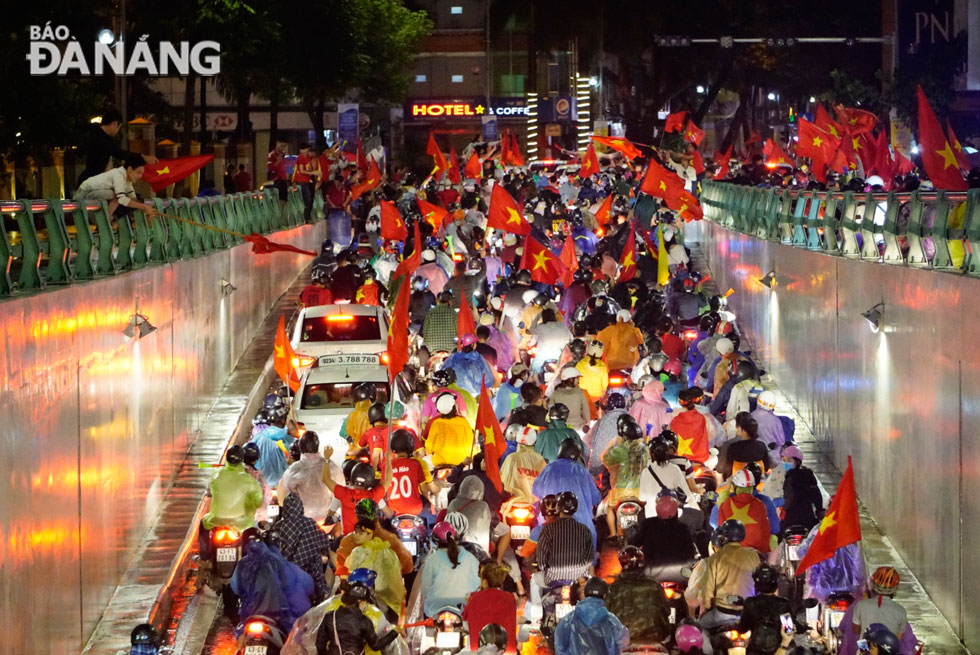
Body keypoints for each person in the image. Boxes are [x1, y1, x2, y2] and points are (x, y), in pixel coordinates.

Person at [684, 520, 760, 630]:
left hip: (722, 614)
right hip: (747, 613)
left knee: (701, 627)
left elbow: (708, 590)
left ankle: (707, 648)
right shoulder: (753, 555)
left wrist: (706, 609)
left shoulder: (715, 559)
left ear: (723, 537)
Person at [231, 534, 314, 634]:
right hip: (278, 616)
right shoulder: (277, 561)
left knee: (240, 635)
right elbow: (295, 585)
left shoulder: (242, 564)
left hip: (250, 614)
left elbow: (236, 587)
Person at [532, 440, 601, 547]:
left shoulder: (548, 469)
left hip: (549, 527)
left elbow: (536, 492)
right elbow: (596, 498)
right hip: (583, 529)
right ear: (577, 456)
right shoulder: (583, 472)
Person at [201, 445, 263, 560]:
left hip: (216, 519)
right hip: (241, 521)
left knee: (203, 524)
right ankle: (246, 558)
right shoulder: (248, 479)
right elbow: (258, 500)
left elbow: (209, 492)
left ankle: (205, 555)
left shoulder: (217, 474)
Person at [314, 577, 401, 655]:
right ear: (360, 601)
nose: (367, 605)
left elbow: (320, 644)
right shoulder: (364, 621)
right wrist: (395, 632)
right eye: (366, 602)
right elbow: (376, 645)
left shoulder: (330, 616)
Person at [343, 518, 406, 621]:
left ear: (370, 534)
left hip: (366, 597)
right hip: (390, 598)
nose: (356, 535)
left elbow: (349, 574)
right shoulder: (388, 550)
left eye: (360, 533)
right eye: (355, 532)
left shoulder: (357, 552)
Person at [605, 546, 672, 643]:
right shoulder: (654, 584)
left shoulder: (614, 588)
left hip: (623, 640)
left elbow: (606, 614)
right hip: (655, 637)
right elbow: (667, 610)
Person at [77, 108, 158, 186]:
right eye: (119, 127)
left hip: (92, 180)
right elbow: (119, 153)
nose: (118, 131)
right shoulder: (100, 138)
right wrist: (143, 157)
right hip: (91, 182)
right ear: (115, 123)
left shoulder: (98, 134)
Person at [335, 499, 414, 578]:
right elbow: (408, 567)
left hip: (357, 587)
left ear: (356, 517)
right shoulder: (392, 539)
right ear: (377, 515)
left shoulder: (348, 541)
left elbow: (342, 570)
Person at [602, 414, 650, 540]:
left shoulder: (620, 449)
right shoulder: (645, 450)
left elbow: (605, 459)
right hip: (641, 492)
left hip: (620, 492)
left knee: (609, 508)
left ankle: (613, 533)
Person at [418, 522, 482, 617]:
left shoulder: (432, 560)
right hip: (464, 609)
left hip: (435, 610)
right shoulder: (470, 558)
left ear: (435, 541)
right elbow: (479, 585)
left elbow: (425, 590)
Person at [278, 492, 332, 603]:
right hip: (312, 571)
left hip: (288, 572)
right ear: (300, 507)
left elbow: (277, 550)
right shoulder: (310, 522)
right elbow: (323, 541)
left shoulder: (280, 526)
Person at [554, 577, 630, 655]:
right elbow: (622, 642)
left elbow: (560, 646)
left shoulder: (568, 620)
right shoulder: (611, 620)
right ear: (605, 595)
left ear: (586, 593)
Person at [278, 432, 342, 524]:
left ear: (300, 447)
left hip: (302, 521)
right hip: (327, 518)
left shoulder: (294, 469)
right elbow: (341, 489)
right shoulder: (332, 466)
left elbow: (282, 498)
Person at [322, 455, 391, 535]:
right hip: (367, 541)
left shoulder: (343, 493)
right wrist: (388, 460)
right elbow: (388, 479)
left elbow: (325, 479)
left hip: (348, 540)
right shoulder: (374, 495)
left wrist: (327, 458)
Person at [74, 155, 160, 218]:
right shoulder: (118, 175)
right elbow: (121, 199)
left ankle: (107, 219)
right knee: (118, 196)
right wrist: (144, 207)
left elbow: (133, 200)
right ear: (130, 169)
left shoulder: (127, 180)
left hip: (96, 195)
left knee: (122, 198)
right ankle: (107, 219)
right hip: (84, 194)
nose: (140, 176)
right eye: (138, 173)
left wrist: (146, 209)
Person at [637, 493, 699, 578]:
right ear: (676, 511)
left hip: (652, 574)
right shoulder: (683, 528)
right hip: (681, 574)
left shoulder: (647, 524)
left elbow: (636, 542)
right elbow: (690, 552)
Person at [715, 469, 774, 554]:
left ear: (734, 487)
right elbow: (766, 531)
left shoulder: (726, 504)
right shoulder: (760, 504)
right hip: (758, 554)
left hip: (733, 554)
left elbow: (720, 530)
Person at [462, 563, 518, 653]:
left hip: (478, 650)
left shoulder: (473, 598)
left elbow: (465, 624)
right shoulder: (510, 598)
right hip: (508, 651)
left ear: (484, 581)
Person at [386, 429, 438, 520]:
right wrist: (431, 502)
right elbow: (424, 489)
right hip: (416, 509)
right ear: (410, 445)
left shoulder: (386, 465)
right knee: (432, 517)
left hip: (393, 511)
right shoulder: (416, 464)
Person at [851, 567, 907, 640]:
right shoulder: (901, 611)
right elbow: (897, 640)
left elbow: (856, 630)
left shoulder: (861, 605)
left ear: (874, 585)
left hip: (865, 649)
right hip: (888, 651)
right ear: (895, 588)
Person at [779, 445, 823, 532]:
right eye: (784, 460)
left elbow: (790, 499)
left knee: (779, 534)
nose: (785, 463)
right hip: (808, 517)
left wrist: (783, 507)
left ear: (797, 461)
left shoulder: (790, 478)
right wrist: (819, 510)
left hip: (791, 518)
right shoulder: (808, 473)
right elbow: (816, 494)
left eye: (789, 460)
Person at [739, 564, 793, 633]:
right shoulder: (783, 603)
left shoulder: (750, 603)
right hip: (779, 643)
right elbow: (789, 630)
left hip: (756, 643)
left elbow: (742, 629)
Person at [425, 392, 476, 466]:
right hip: (462, 462)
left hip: (439, 462)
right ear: (454, 407)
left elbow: (429, 447)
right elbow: (471, 445)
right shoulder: (464, 422)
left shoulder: (436, 423)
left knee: (424, 463)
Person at [500, 425, 546, 504]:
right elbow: (544, 485)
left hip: (512, 503)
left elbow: (502, 479)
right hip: (534, 505)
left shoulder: (511, 458)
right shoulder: (540, 459)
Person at [446, 475, 493, 554]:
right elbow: (485, 526)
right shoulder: (483, 506)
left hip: (453, 545)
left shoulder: (453, 503)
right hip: (476, 547)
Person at [719, 412, 771, 480]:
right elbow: (767, 466)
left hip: (737, 483)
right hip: (758, 482)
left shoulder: (733, 447)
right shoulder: (761, 446)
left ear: (742, 429)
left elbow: (725, 469)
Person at [669, 387, 711, 464]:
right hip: (701, 458)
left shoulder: (675, 418)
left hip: (679, 458)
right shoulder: (702, 417)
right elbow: (711, 434)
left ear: (680, 402)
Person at [550, 367, 592, 432]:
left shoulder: (555, 393)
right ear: (571, 379)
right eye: (577, 378)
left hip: (561, 430)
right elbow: (586, 411)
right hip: (578, 429)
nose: (578, 380)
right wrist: (587, 423)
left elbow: (550, 411)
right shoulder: (579, 392)